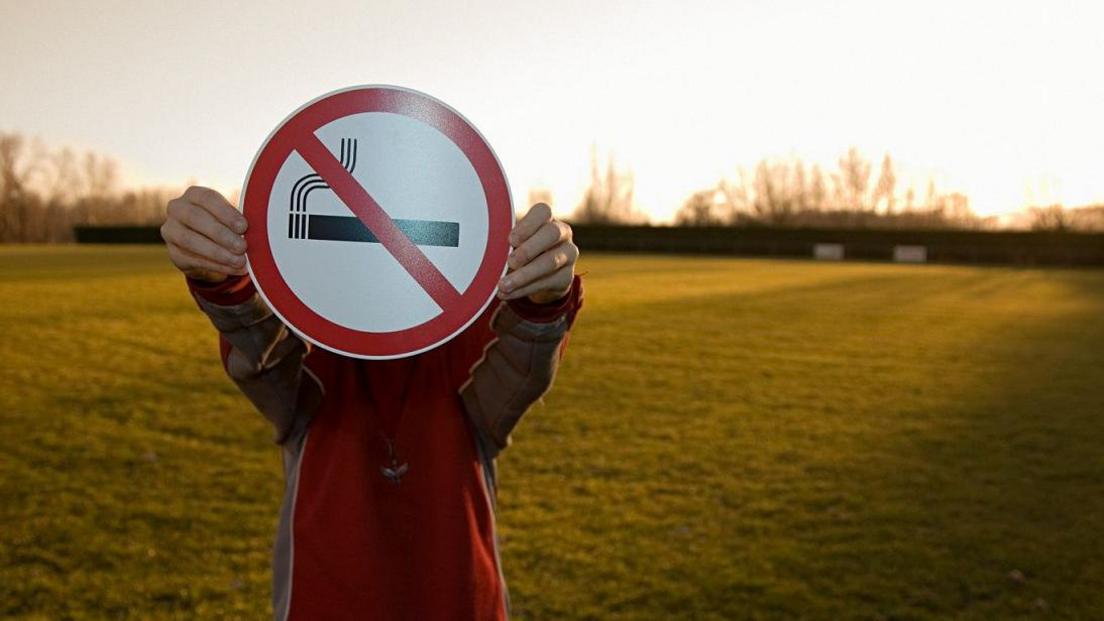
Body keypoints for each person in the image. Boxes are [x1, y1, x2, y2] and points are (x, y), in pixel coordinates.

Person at [161, 186, 583, 620]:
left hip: (461, 601)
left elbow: (520, 368)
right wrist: (226, 283)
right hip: (322, 601)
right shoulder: (312, 334)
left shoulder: (473, 327)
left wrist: (544, 303)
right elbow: (266, 358)